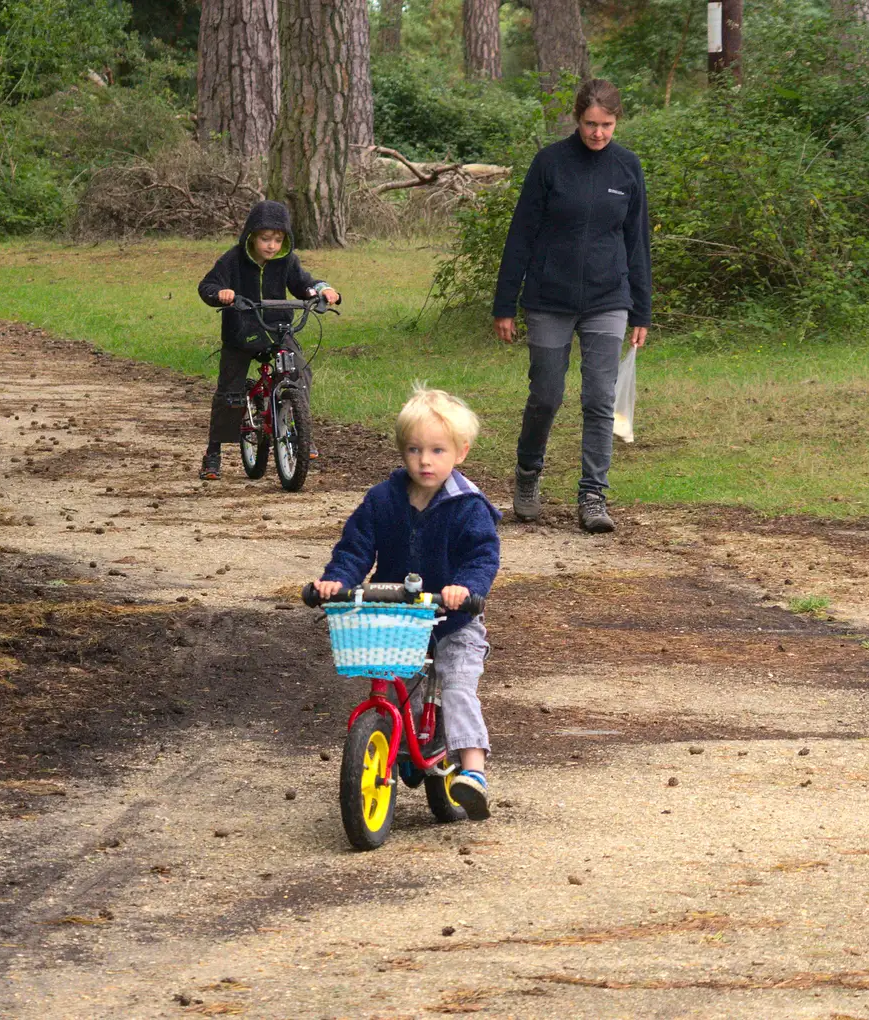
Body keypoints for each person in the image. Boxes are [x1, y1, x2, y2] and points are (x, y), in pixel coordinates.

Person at [312, 387, 501, 820]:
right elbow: (356, 547)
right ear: (402, 451)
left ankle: (472, 771)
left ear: (460, 452)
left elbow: (482, 555)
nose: (425, 461)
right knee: (396, 687)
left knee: (455, 686)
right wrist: (336, 581)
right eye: (414, 450)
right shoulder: (384, 499)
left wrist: (464, 588)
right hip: (399, 617)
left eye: (437, 450)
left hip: (454, 619)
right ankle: (397, 745)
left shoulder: (467, 505)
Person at [492, 78, 652, 534]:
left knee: (600, 398)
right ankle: (527, 477)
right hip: (549, 298)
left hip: (609, 299)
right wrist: (506, 302)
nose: (598, 133)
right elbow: (521, 234)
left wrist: (641, 310)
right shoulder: (550, 164)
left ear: (617, 121)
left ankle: (593, 495)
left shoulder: (627, 168)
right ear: (576, 118)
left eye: (606, 125)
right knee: (547, 395)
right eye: (590, 124)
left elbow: (637, 242)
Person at [196, 200, 340, 479]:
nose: (271, 246)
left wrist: (323, 290)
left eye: (278, 239)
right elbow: (208, 285)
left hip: (278, 328)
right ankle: (214, 453)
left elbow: (304, 284)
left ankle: (300, 430)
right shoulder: (233, 259)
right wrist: (221, 293)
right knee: (230, 391)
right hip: (241, 329)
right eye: (265, 239)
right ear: (251, 235)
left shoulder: (287, 261)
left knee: (299, 370)